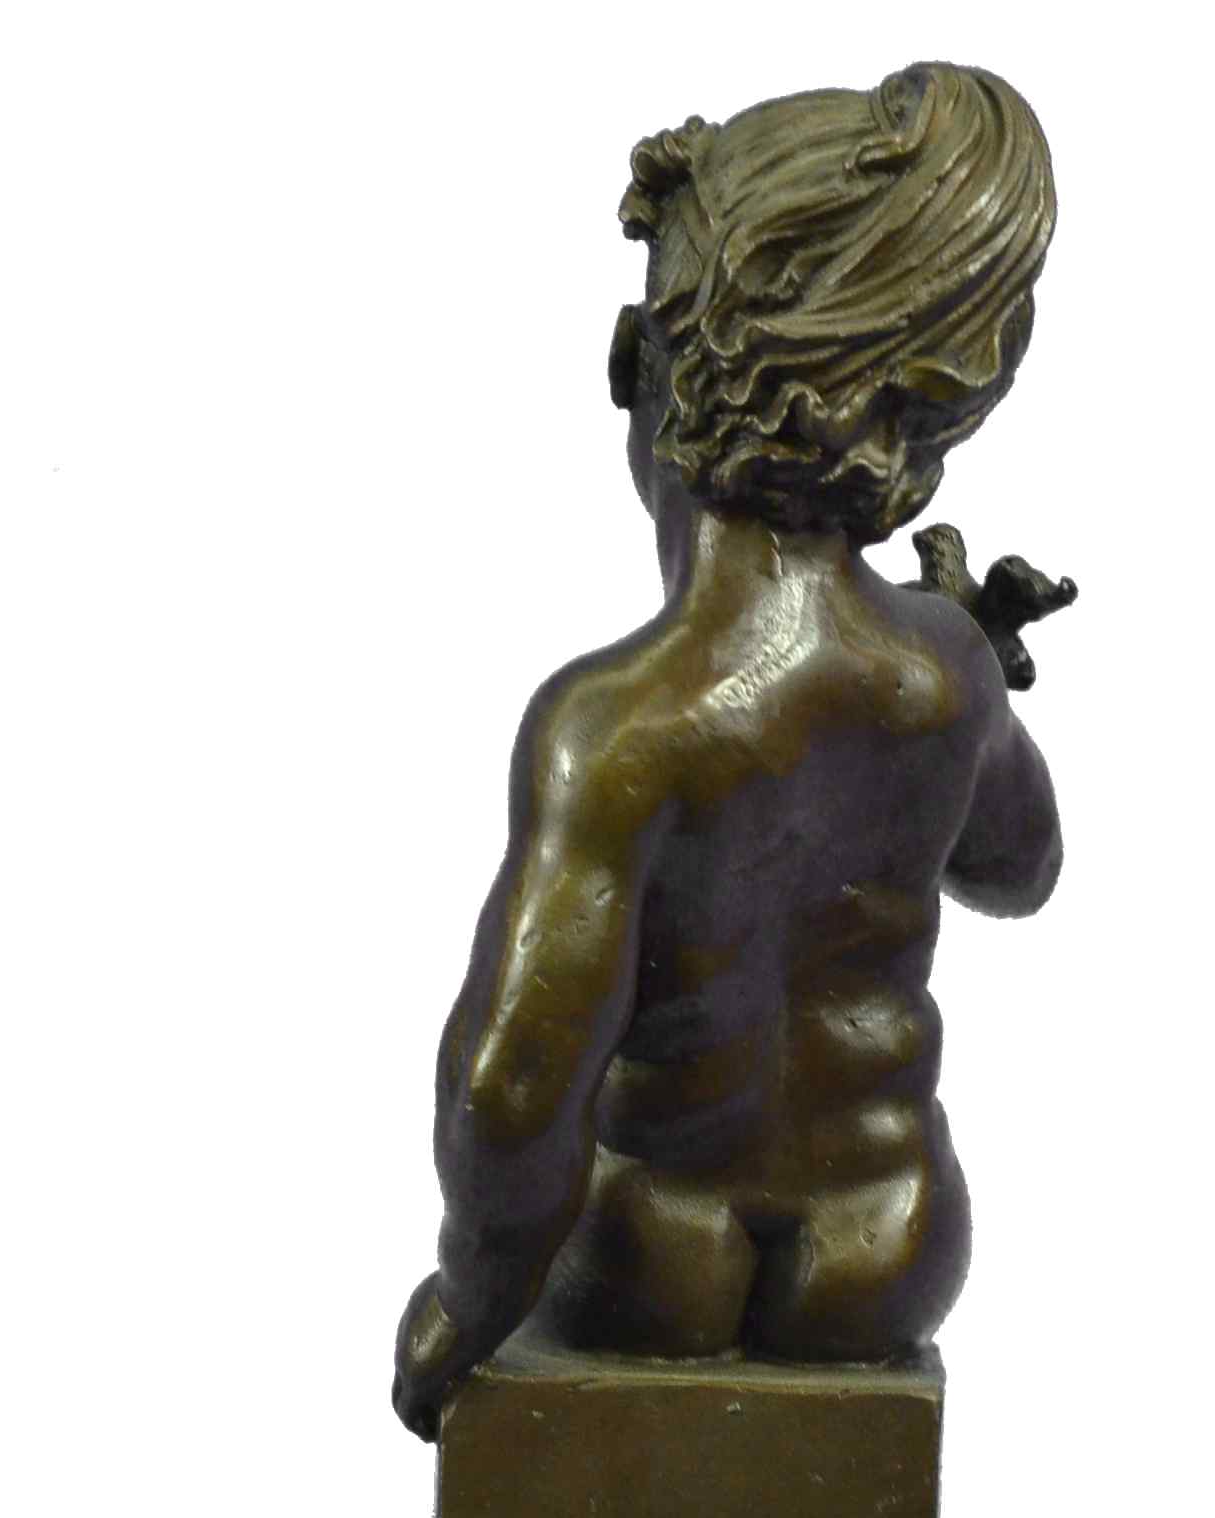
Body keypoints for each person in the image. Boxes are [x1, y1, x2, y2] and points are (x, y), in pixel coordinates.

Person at [394, 63, 1071, 1440]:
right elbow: (1021, 866)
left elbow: (513, 1089)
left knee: (626, 1245)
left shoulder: (617, 731)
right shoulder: (939, 671)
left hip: (653, 1245)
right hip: (894, 1233)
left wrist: (468, 1301)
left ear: (639, 367)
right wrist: (978, 669)